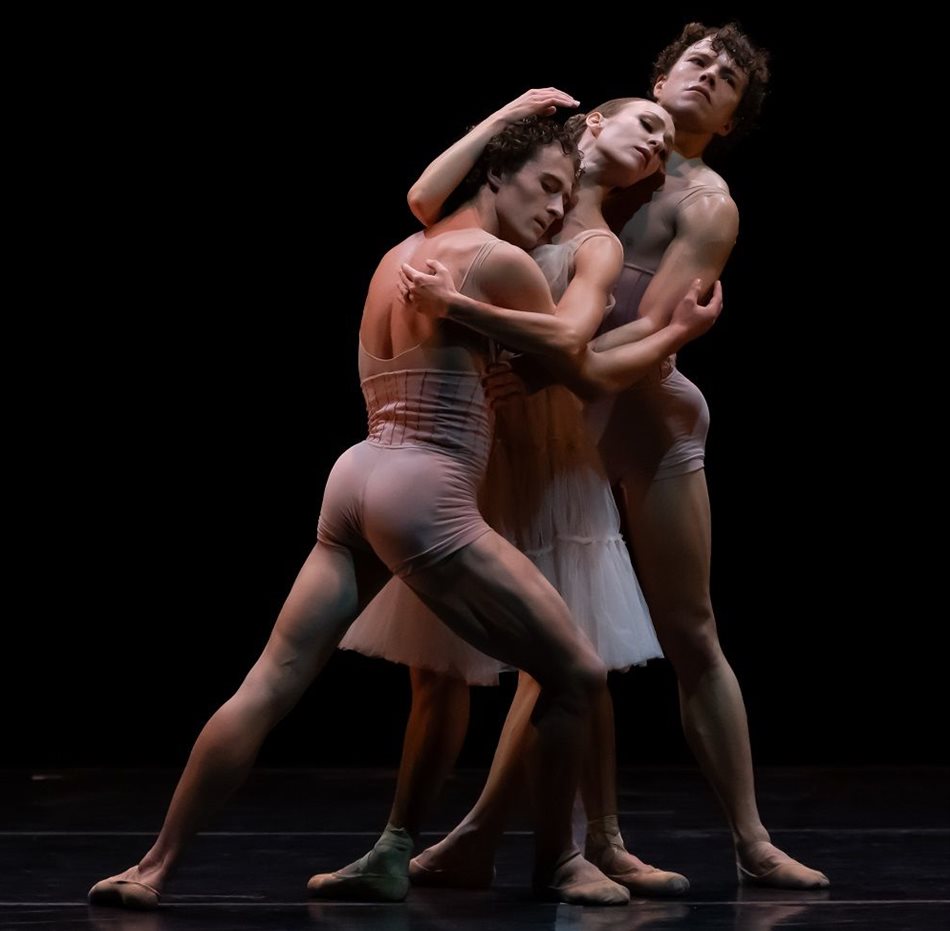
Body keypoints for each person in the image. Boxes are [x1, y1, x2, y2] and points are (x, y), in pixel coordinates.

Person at [86, 116, 635, 911]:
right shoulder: (499, 263)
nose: (557, 209)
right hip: (427, 493)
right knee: (577, 671)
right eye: (547, 187)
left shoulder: (393, 258)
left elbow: (422, 199)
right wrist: (661, 331)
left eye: (564, 194)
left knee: (270, 678)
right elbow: (572, 346)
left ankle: (152, 867)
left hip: (356, 474)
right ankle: (555, 860)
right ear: (494, 174)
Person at [415, 22, 829, 891]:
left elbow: (647, 338)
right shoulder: (598, 144)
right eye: (698, 60)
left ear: (732, 115)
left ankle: (751, 839)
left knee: (687, 628)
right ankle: (592, 840)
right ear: (660, 74)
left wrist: (546, 363)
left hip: (641, 412)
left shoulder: (704, 202)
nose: (707, 74)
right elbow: (454, 213)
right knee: (571, 635)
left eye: (726, 78)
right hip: (554, 420)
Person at [312, 90, 722, 900]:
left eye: (669, 142)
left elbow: (580, 356)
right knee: (441, 666)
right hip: (472, 450)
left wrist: (675, 334)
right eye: (648, 122)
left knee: (563, 654)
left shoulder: (594, 242)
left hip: (551, 453)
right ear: (591, 124)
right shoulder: (513, 198)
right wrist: (504, 114)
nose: (658, 144)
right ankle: (414, 840)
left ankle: (564, 844)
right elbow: (425, 198)